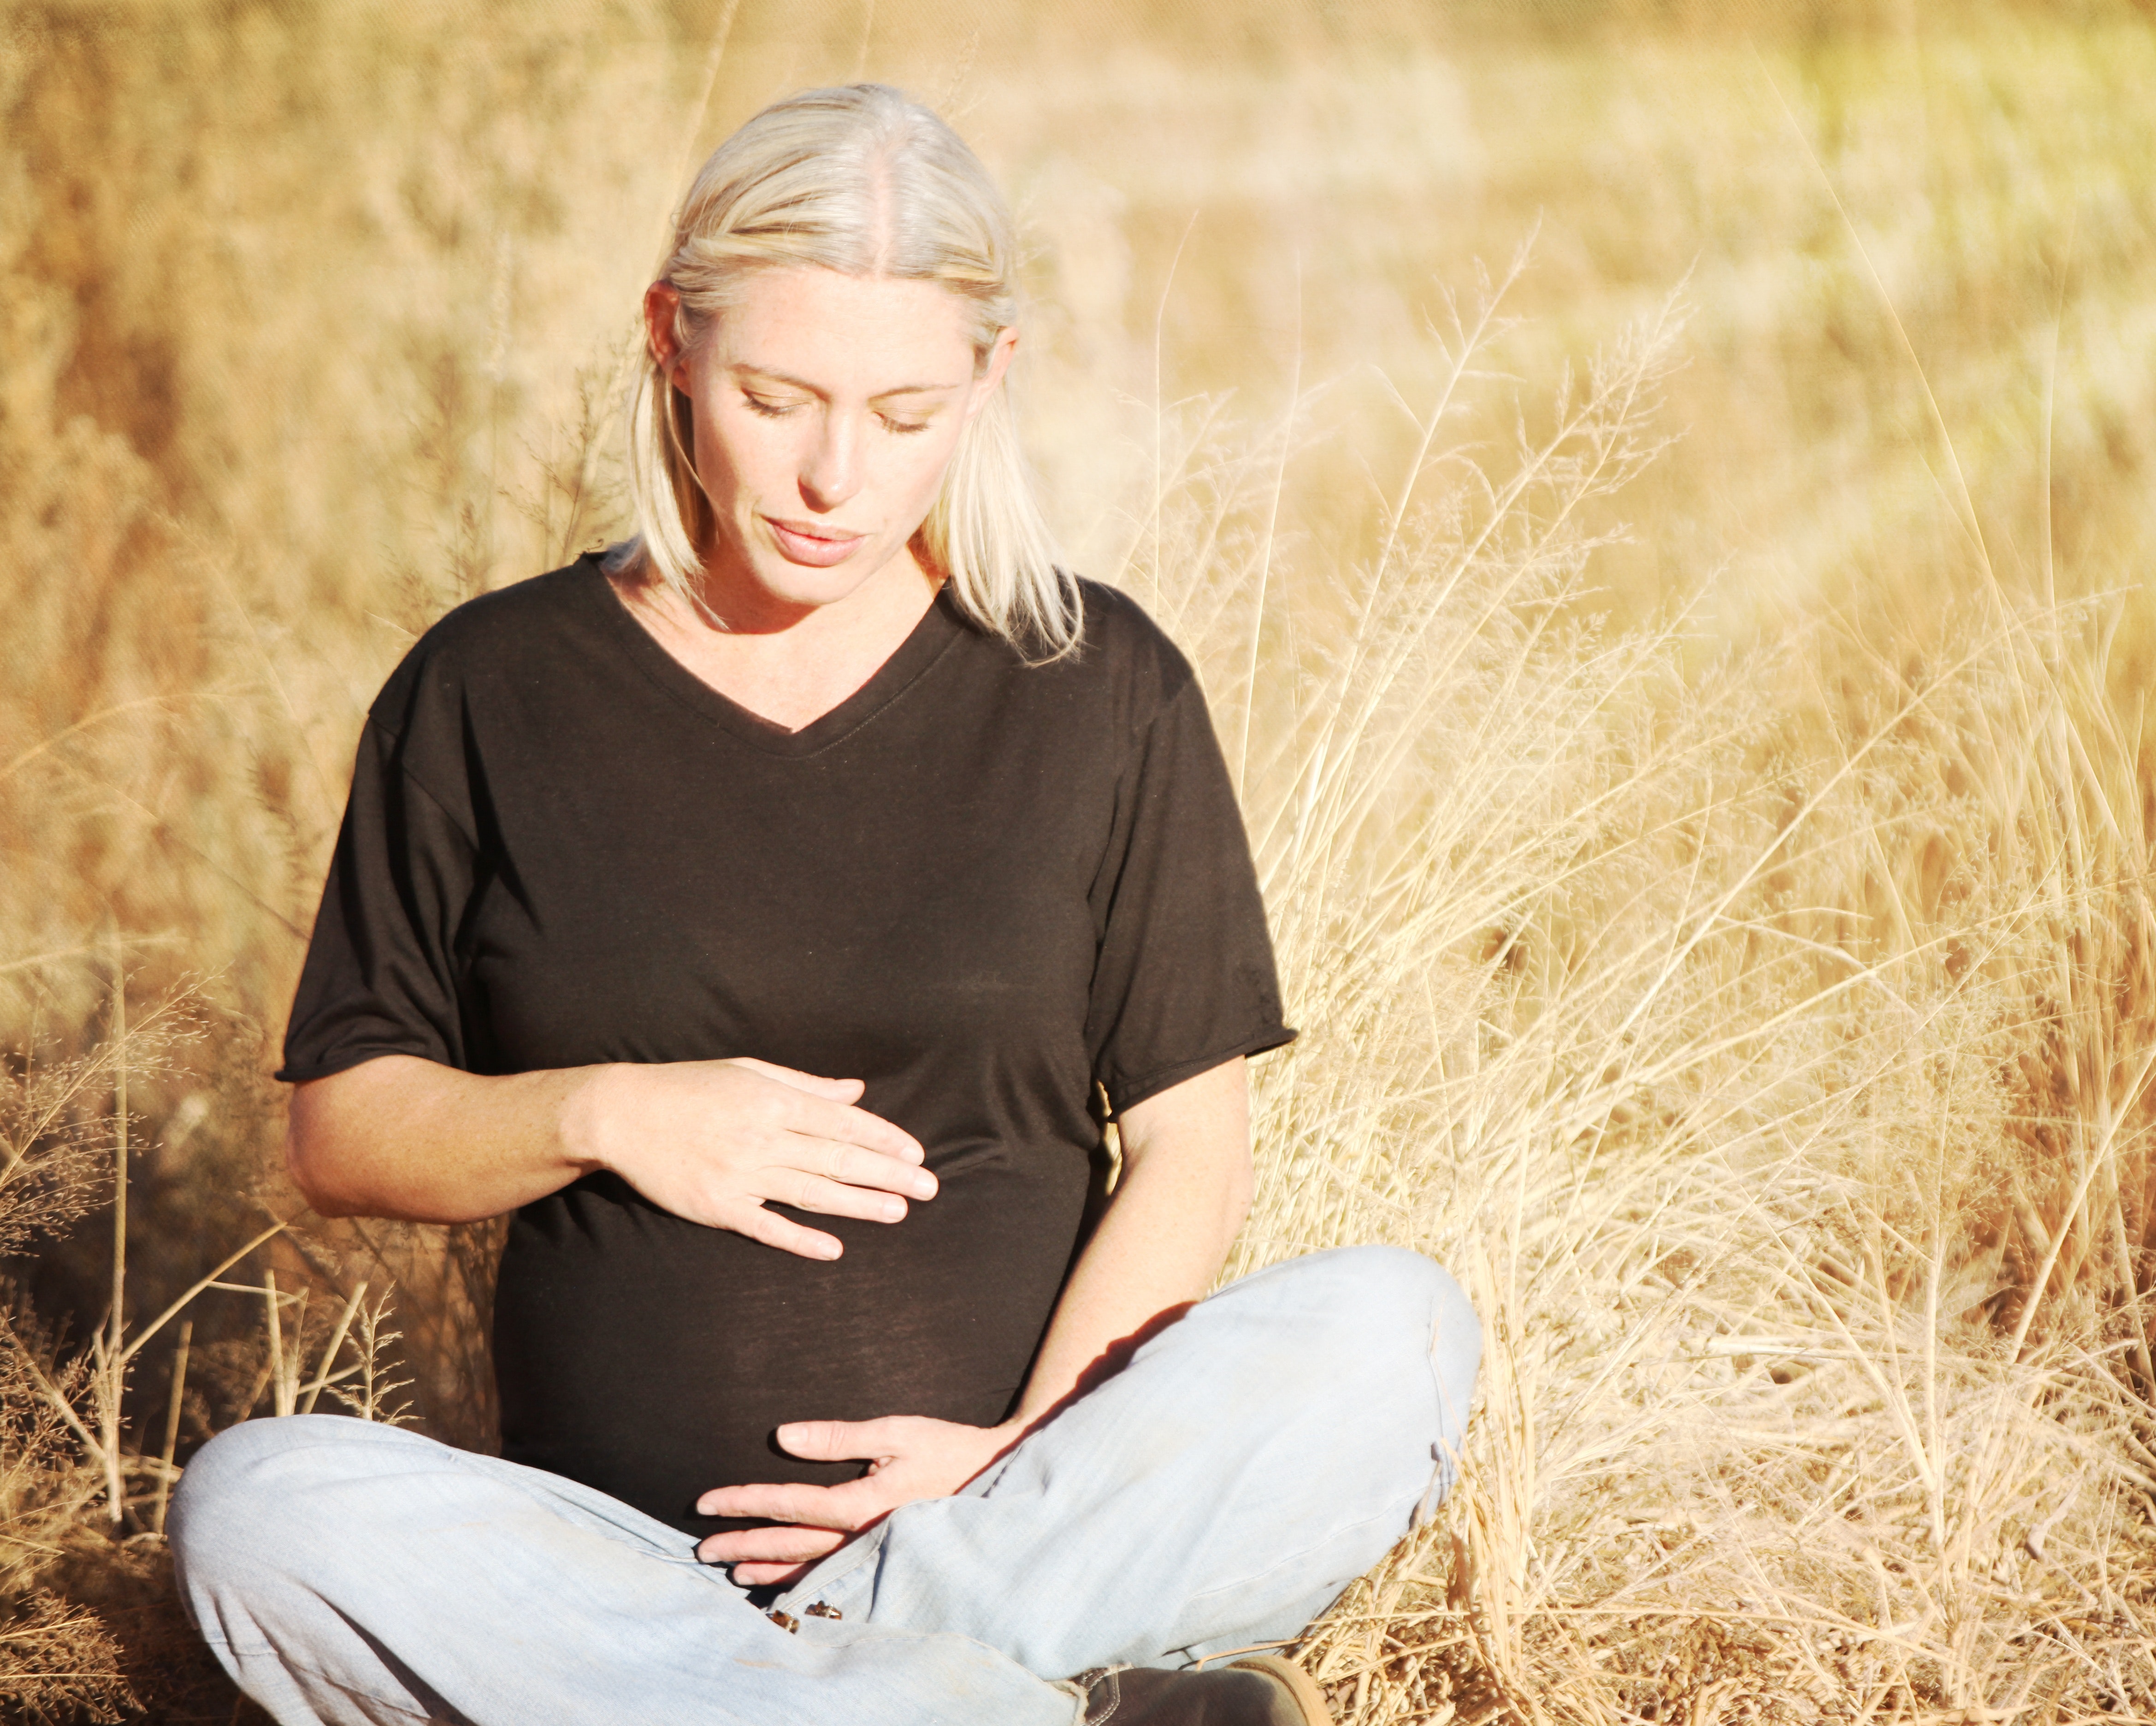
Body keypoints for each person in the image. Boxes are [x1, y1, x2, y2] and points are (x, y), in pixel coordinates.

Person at [169, 83, 1479, 1726]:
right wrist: (611, 1111)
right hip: (618, 1570)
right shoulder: (491, 688)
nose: (834, 477)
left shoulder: (1098, 686)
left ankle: (870, 1672)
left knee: (1401, 1336)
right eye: (776, 397)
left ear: (992, 378)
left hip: (1013, 1521)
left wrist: (1013, 1465)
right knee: (257, 1514)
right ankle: (995, 1704)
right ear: (671, 342)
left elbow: (1189, 1151)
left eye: (907, 409)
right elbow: (345, 1131)